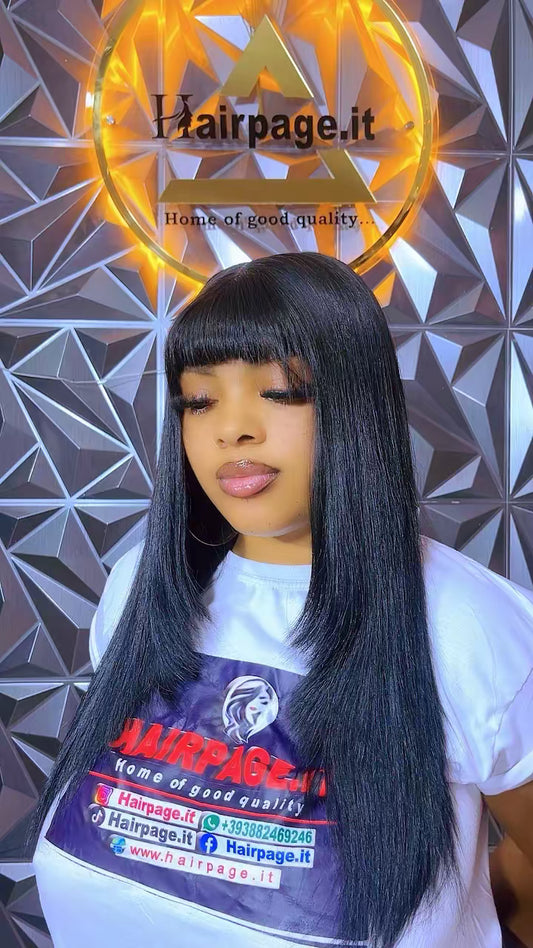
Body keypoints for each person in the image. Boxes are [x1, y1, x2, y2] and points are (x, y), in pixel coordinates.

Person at [28, 251, 533, 948]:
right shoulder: (139, 590)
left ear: (355, 402)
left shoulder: (470, 628)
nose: (231, 429)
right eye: (199, 400)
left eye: (279, 391)